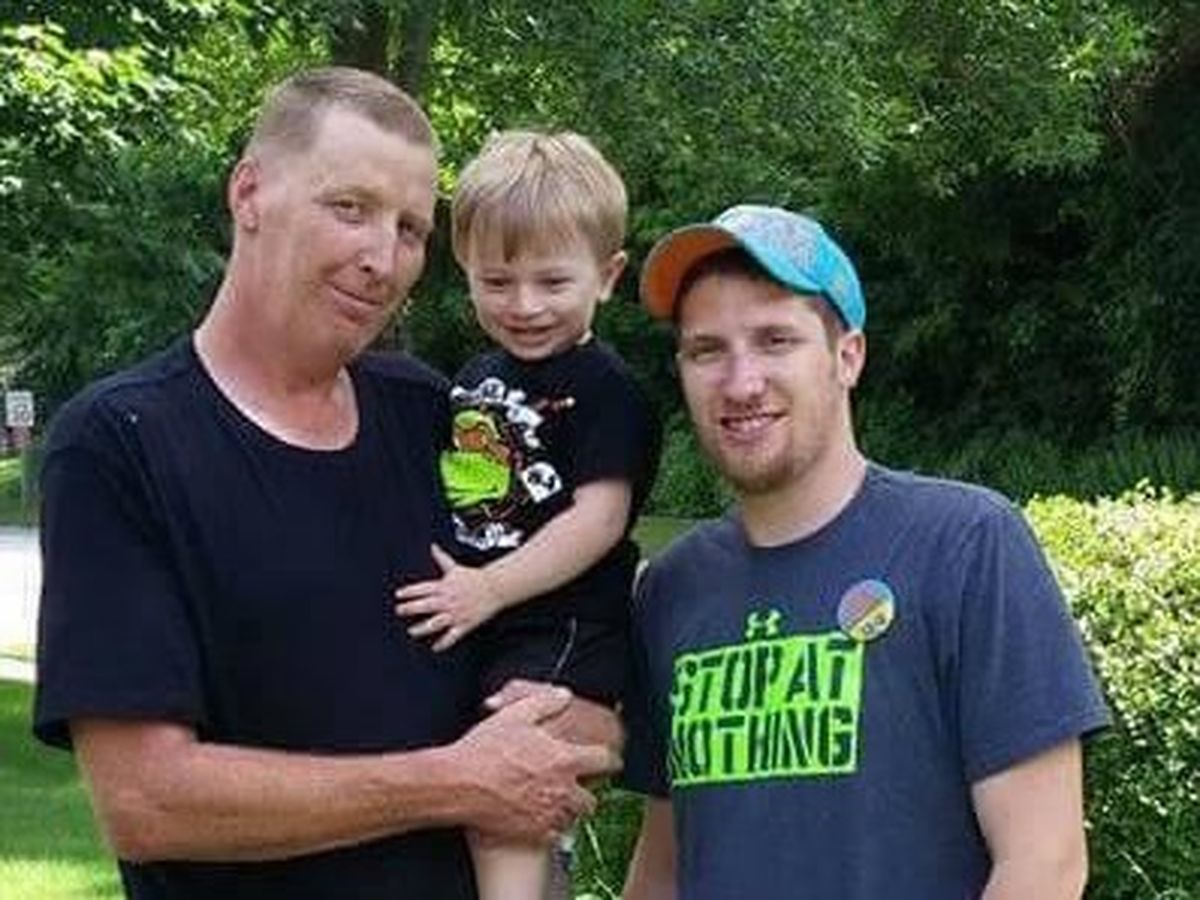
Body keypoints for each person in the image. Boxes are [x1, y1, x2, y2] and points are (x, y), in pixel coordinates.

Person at [32, 67, 620, 900]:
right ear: (249, 194)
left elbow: (557, 638)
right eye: (349, 207)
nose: (381, 259)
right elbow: (146, 800)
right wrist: (455, 783)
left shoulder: (438, 416)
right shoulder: (121, 444)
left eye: (411, 229)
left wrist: (587, 722)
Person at [620, 204, 1110, 899]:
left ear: (847, 356)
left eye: (775, 340)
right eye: (707, 350)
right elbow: (665, 865)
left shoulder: (966, 545)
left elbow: (1045, 863)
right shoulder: (673, 587)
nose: (741, 381)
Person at [393, 130, 660, 899]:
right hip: (488, 625)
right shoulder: (474, 378)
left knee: (501, 793)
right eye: (498, 281)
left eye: (552, 281)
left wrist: (490, 588)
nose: (525, 305)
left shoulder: (605, 388)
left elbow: (599, 519)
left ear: (607, 276)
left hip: (562, 625)